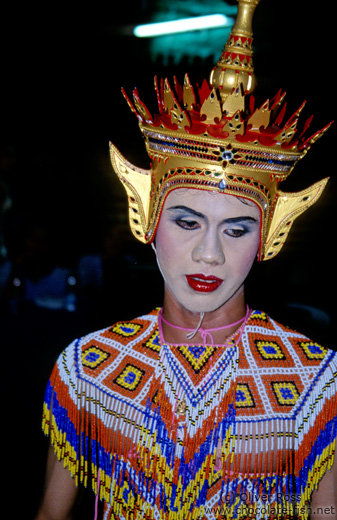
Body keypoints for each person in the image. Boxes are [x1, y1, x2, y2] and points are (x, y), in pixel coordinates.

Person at [35, 1, 336, 519]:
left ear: (270, 236)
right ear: (145, 218)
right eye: (187, 222)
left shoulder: (314, 379)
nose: (210, 253)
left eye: (236, 229)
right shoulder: (91, 366)